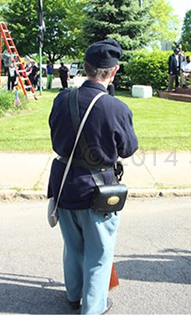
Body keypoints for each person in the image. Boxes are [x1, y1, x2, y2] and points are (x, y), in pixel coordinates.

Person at [48, 38, 138, 314]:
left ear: (85, 67)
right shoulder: (116, 107)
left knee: (72, 247)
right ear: (114, 71)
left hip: (63, 185)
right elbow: (128, 148)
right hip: (98, 190)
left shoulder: (63, 99)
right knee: (99, 254)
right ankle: (93, 307)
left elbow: (54, 134)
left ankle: (74, 295)